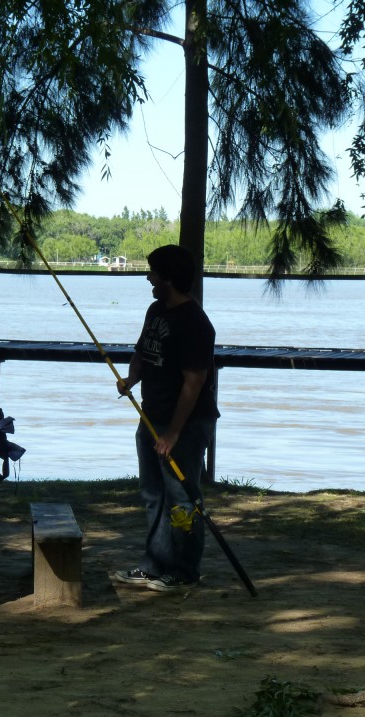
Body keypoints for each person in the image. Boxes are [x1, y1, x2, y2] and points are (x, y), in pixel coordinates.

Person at [113, 244, 219, 592]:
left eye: (153, 273)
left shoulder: (196, 324)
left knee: (183, 499)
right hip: (150, 418)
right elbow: (142, 351)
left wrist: (173, 433)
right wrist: (131, 379)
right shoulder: (156, 310)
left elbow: (194, 382)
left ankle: (185, 571)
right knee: (153, 494)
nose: (149, 278)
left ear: (169, 279)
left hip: (185, 425)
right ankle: (154, 564)